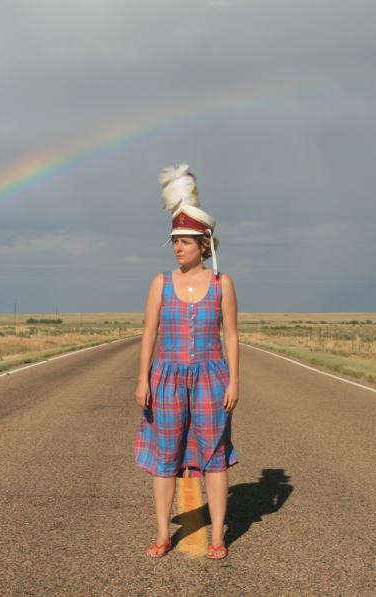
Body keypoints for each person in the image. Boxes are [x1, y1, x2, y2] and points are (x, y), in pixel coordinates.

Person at [133, 164, 240, 560]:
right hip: (166, 376)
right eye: (174, 240)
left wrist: (234, 381)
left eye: (185, 241)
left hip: (212, 376)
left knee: (214, 455)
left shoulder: (221, 284)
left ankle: (216, 537)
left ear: (204, 245)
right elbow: (149, 333)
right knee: (166, 456)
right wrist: (142, 379)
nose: (178, 247)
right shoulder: (160, 282)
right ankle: (162, 534)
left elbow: (230, 335)